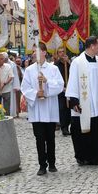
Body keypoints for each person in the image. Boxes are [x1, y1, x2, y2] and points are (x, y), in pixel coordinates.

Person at [21, 43, 64, 176]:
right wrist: (35, 94)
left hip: (49, 108)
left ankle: (52, 163)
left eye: (37, 52)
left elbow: (60, 86)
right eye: (33, 52)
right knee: (39, 138)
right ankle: (42, 165)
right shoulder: (29, 70)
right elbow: (25, 88)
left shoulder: (53, 69)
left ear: (45, 52)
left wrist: (47, 82)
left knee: (50, 137)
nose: (34, 54)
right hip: (37, 110)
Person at [66, 36, 98, 166]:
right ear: (92, 46)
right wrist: (74, 100)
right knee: (80, 130)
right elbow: (72, 81)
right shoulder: (77, 62)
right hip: (83, 102)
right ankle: (82, 156)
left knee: (96, 130)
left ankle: (95, 157)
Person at [54, 46, 71, 135]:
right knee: (62, 108)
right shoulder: (55, 65)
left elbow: (72, 73)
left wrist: (68, 62)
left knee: (68, 109)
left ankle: (67, 126)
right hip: (60, 91)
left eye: (63, 51)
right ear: (57, 54)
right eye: (60, 52)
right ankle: (63, 127)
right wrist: (61, 88)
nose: (62, 53)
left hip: (69, 89)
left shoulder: (68, 64)